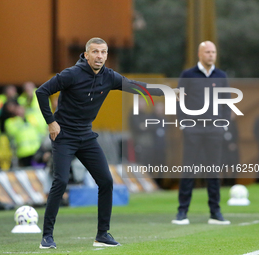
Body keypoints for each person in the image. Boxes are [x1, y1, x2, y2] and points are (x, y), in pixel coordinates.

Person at [36, 37, 180, 249]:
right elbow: (41, 92)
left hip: (86, 136)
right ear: (86, 55)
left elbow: (137, 87)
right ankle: (47, 236)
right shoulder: (71, 74)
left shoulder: (109, 77)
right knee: (60, 182)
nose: (100, 56)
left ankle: (102, 235)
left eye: (103, 52)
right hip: (64, 136)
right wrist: (51, 122)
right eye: (95, 52)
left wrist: (166, 92)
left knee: (106, 181)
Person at [172, 41, 231, 225]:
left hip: (214, 130)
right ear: (200, 54)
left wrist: (224, 124)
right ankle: (182, 212)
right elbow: (179, 99)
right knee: (188, 170)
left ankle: (215, 213)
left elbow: (226, 102)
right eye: (207, 52)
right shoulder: (188, 75)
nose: (211, 55)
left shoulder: (221, 76)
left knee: (213, 171)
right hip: (193, 130)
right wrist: (183, 124)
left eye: (213, 52)